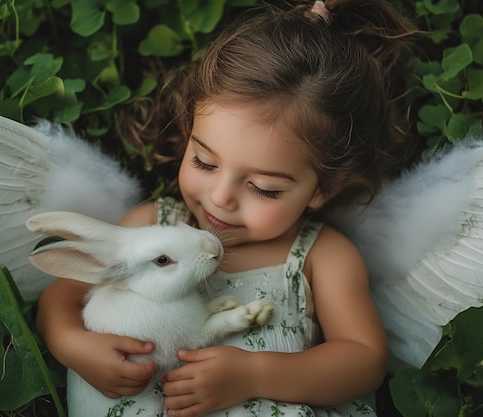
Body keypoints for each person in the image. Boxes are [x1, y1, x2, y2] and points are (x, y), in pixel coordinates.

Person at [36, 0, 419, 416]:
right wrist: (74, 345)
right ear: (188, 132)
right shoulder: (153, 226)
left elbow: (363, 361)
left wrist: (255, 374)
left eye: (263, 187)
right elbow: (62, 295)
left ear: (321, 190)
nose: (220, 197)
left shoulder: (322, 257)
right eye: (204, 161)